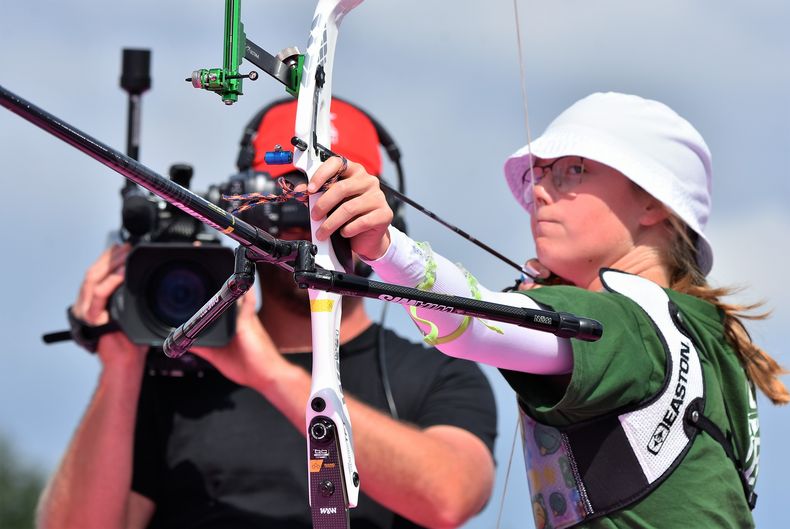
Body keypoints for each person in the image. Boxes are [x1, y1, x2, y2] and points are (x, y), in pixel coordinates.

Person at [307, 92, 788, 528]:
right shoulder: (703, 335)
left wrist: (386, 248)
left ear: (652, 204)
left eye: (573, 171)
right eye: (540, 173)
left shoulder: (633, 324)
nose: (539, 191)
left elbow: (472, 326)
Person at [36, 99, 497, 529]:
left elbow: (450, 496)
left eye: (335, 205)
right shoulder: (174, 377)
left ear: (386, 221)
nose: (310, 228)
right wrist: (120, 365)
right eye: (284, 203)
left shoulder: (439, 374)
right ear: (242, 212)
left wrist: (268, 374)